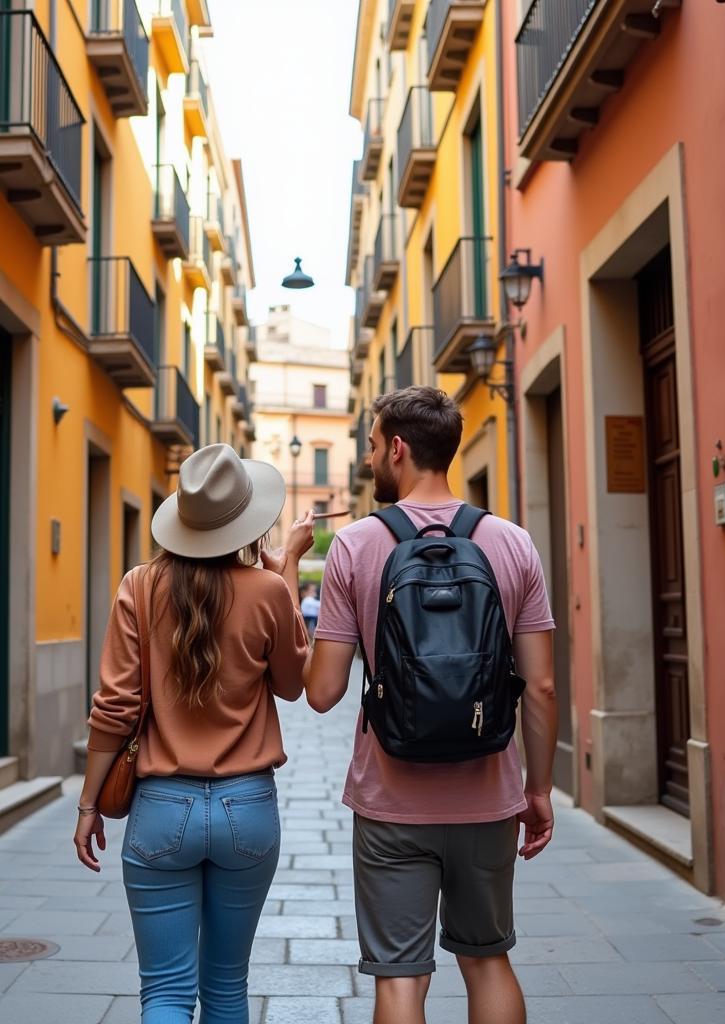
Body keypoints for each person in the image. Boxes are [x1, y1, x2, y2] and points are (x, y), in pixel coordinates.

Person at [304, 387, 558, 1024]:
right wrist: (541, 790)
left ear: (397, 448)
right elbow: (543, 688)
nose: (366, 460)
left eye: (369, 446)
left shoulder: (356, 545)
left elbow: (323, 691)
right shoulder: (511, 542)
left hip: (390, 799)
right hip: (488, 795)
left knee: (400, 978)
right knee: (488, 959)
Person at [74, 443, 315, 1024]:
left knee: (164, 994)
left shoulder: (140, 585)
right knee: (228, 989)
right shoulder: (268, 590)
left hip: (161, 808)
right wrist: (285, 571)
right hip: (248, 808)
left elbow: (115, 707)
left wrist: (88, 804)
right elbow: (290, 684)